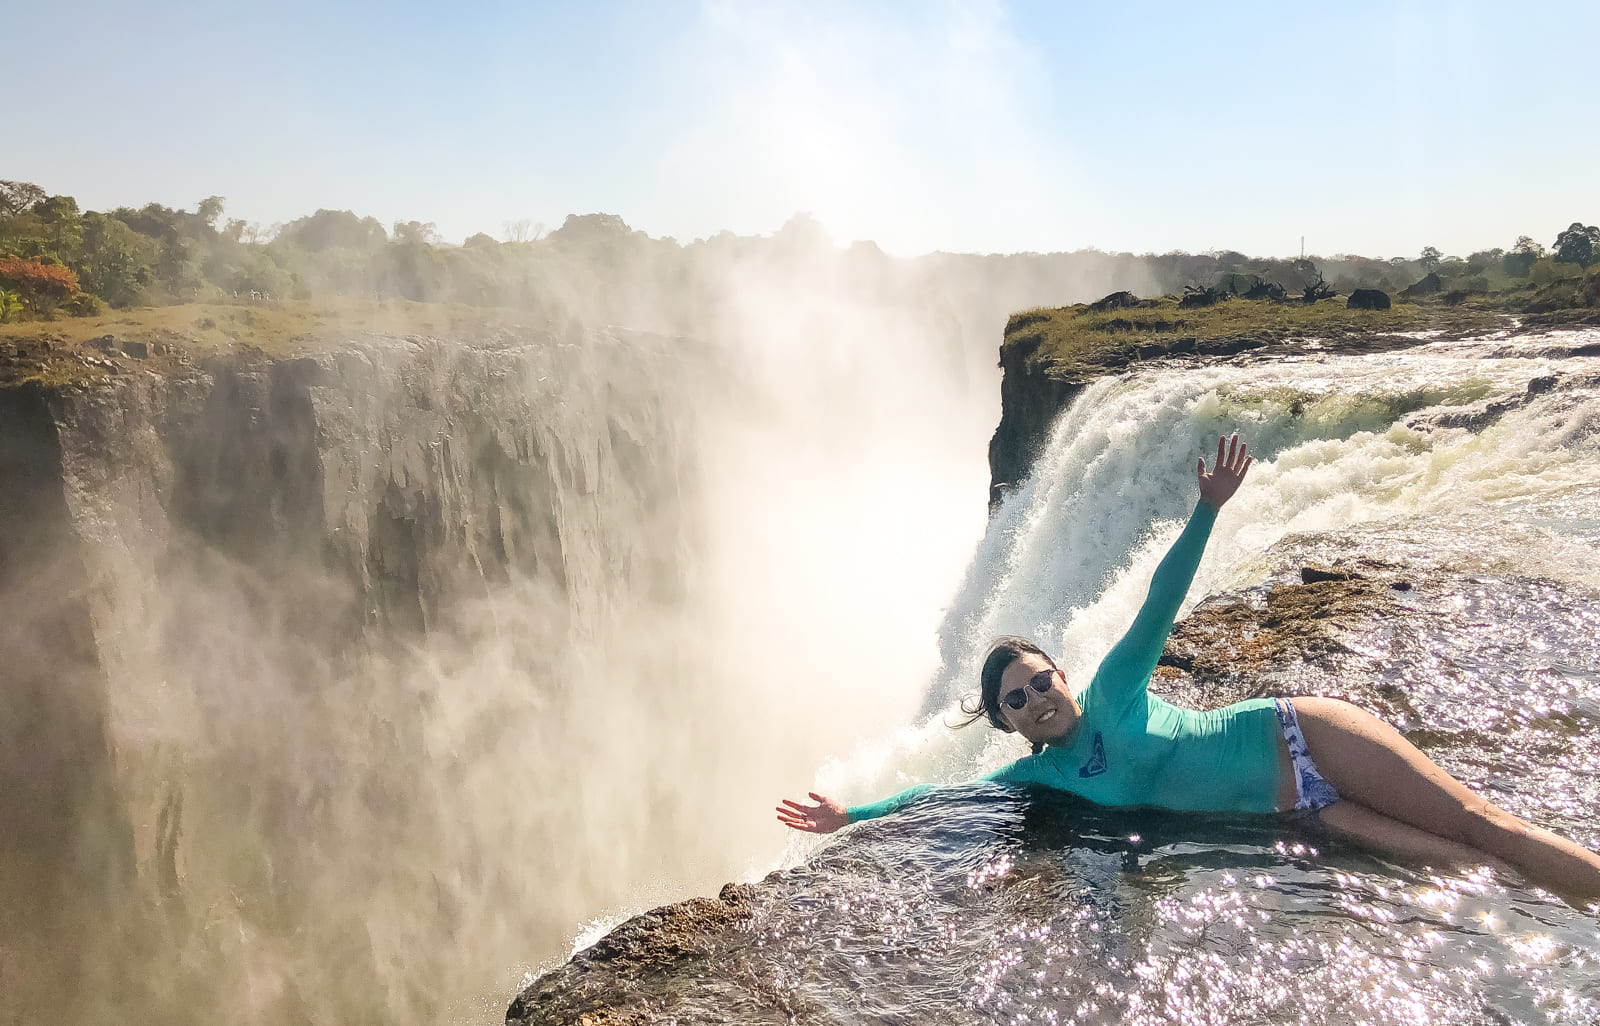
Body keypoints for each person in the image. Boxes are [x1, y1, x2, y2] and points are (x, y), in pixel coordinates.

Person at [778, 435, 1600, 907]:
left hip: (1299, 735)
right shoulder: (1039, 785)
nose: (1035, 697)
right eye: (1015, 700)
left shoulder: (1114, 689)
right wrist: (854, 815)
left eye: (1038, 679)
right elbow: (939, 797)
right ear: (1008, 724)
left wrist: (1206, 510)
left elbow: (1159, 604)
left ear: (1061, 675)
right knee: (1469, 871)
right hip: (1303, 813)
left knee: (1482, 827)